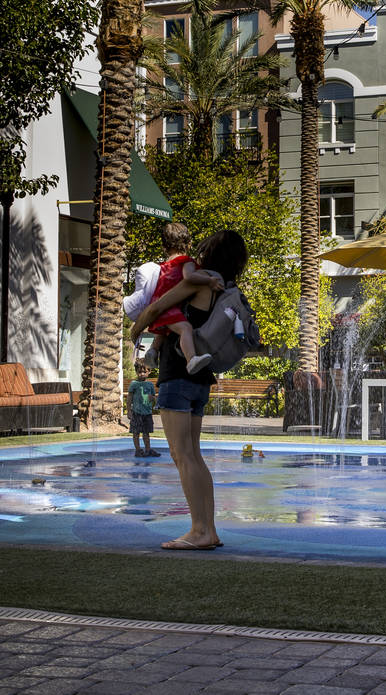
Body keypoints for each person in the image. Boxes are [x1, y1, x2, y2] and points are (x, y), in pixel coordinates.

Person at [130, 229, 249, 551]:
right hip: (200, 378)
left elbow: (155, 310)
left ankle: (200, 531)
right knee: (193, 455)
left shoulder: (196, 282)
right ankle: (207, 529)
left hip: (177, 376)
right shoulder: (224, 288)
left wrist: (133, 330)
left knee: (182, 455)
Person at [146, 222, 223, 375]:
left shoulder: (165, 265)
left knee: (165, 330)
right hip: (170, 306)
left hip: (160, 306)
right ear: (188, 243)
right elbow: (189, 278)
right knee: (185, 328)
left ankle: (153, 351)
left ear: (165, 246)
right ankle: (191, 360)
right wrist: (209, 281)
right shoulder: (185, 261)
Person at [126, 362, 159, 457]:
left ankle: (148, 449)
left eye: (144, 372)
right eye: (140, 372)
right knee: (136, 433)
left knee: (146, 433)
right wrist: (129, 411)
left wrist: (153, 398)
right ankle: (138, 450)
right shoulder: (134, 384)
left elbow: (154, 397)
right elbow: (129, 398)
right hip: (136, 412)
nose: (142, 374)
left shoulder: (150, 385)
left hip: (147, 413)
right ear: (136, 372)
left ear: (149, 372)